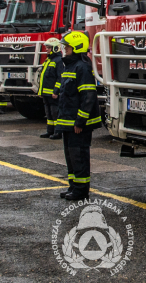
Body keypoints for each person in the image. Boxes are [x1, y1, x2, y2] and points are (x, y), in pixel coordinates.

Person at [54, 31, 100, 200]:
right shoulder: (70, 66)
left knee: (79, 155)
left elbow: (88, 97)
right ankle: (73, 186)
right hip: (68, 121)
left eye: (67, 48)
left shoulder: (83, 67)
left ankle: (81, 190)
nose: (64, 50)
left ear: (77, 48)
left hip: (78, 123)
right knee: (70, 155)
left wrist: (80, 121)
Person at [38, 38, 63, 138]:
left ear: (56, 48)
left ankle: (58, 132)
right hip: (46, 93)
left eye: (49, 48)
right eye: (47, 47)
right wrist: (40, 91)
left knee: (55, 113)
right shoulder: (48, 60)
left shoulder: (59, 60)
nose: (47, 50)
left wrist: (56, 91)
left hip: (53, 94)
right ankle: (50, 131)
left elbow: (60, 77)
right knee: (49, 113)